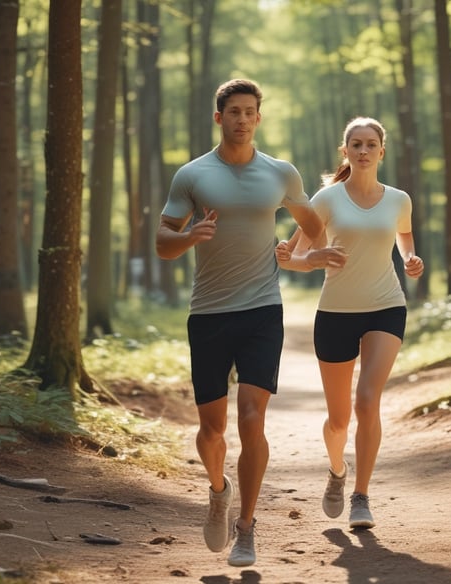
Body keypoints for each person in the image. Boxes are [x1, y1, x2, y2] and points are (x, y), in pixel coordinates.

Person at [155, 78, 323, 566]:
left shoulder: (280, 173)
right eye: (234, 112)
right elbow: (163, 243)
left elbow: (314, 225)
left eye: (250, 112)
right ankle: (218, 491)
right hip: (208, 313)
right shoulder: (192, 175)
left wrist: (291, 250)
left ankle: (247, 526)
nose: (242, 120)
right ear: (219, 117)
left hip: (262, 311)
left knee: (252, 419)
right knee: (211, 430)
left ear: (259, 118)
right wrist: (191, 236)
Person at [275, 116, 424, 530]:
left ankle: (361, 496)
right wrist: (313, 259)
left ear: (381, 151)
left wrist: (410, 259)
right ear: (345, 151)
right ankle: (337, 470)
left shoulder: (399, 200)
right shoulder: (326, 199)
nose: (363, 151)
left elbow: (404, 236)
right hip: (336, 313)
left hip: (386, 307)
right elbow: (290, 257)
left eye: (370, 144)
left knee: (367, 401)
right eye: (356, 144)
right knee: (339, 420)